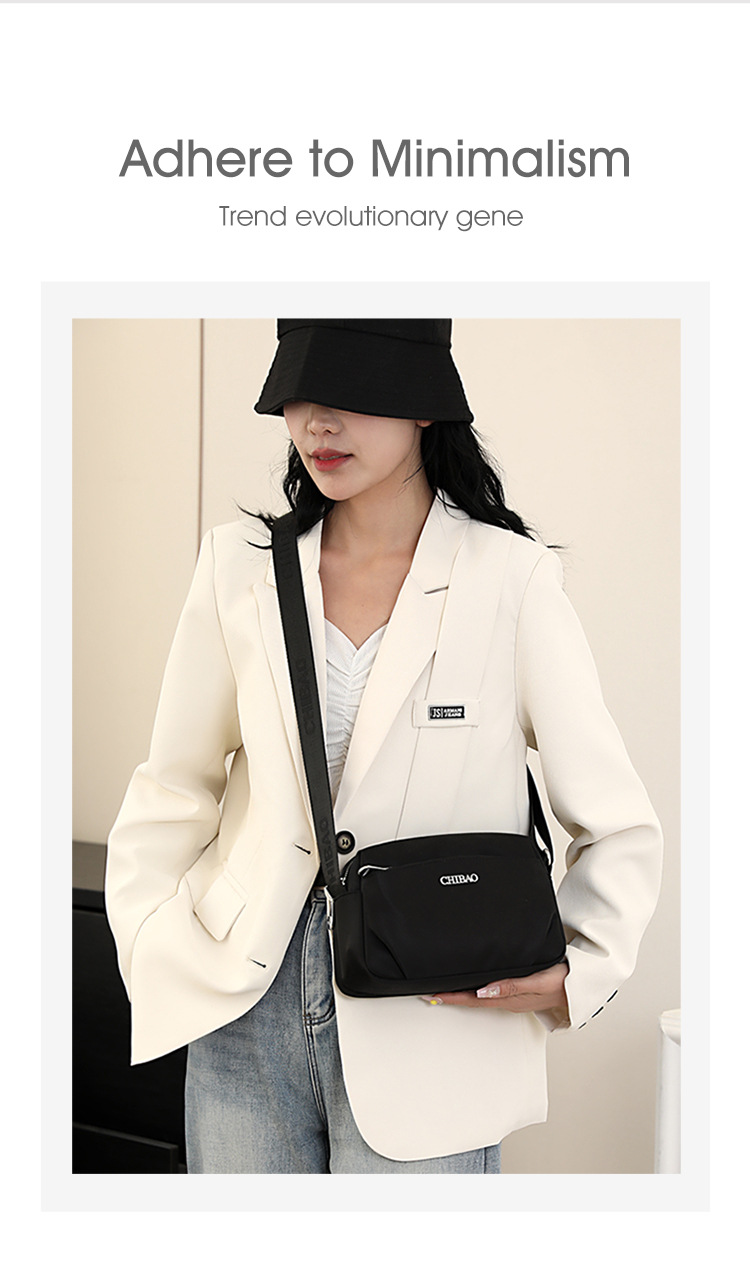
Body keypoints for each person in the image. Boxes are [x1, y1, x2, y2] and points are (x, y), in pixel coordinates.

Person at [105, 318, 663, 1174]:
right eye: (299, 394)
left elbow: (616, 819)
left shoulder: (510, 580)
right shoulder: (238, 567)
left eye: (352, 393)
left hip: (431, 1019)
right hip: (243, 1008)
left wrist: (580, 971)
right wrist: (148, 937)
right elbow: (173, 784)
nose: (318, 422)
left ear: (425, 406)